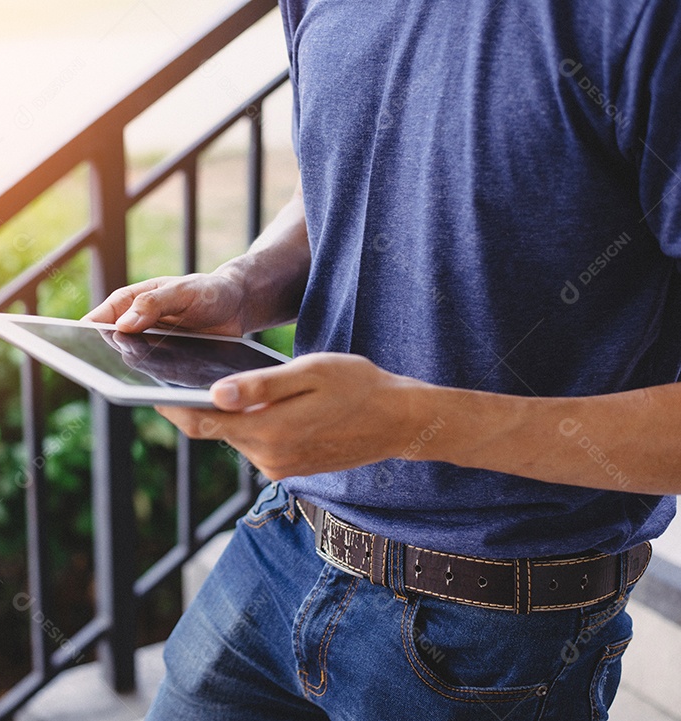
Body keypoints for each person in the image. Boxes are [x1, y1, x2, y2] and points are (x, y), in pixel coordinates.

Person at [84, 0, 681, 718]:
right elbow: (355, 159)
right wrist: (244, 284)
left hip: (498, 634)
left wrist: (413, 419)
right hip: (285, 545)